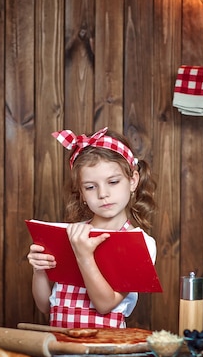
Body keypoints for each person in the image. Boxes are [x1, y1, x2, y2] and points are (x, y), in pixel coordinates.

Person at [27, 127, 158, 328]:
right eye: (90, 187)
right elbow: (45, 305)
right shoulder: (69, 234)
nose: (103, 194)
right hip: (59, 348)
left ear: (133, 181)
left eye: (113, 182)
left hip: (106, 350)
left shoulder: (139, 243)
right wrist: (39, 271)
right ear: (81, 193)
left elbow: (105, 305)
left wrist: (84, 256)